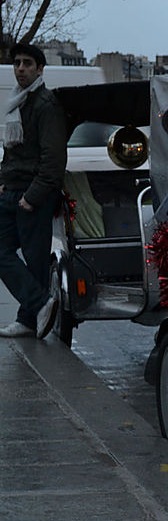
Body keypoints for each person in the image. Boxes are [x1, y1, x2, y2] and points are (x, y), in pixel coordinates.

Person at [0, 43, 66, 338]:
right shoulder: (18, 102)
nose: (21, 69)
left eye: (27, 63)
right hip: (11, 190)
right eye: (17, 63)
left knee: (36, 258)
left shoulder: (45, 104)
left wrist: (32, 197)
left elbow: (53, 160)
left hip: (31, 195)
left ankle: (29, 317)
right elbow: (11, 151)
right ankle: (37, 306)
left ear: (40, 69)